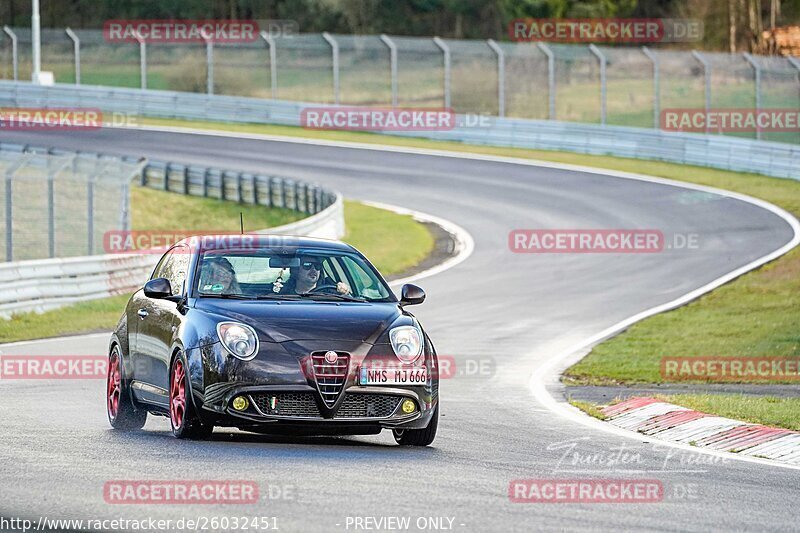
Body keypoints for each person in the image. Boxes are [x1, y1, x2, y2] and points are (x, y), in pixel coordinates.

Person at [273, 256, 350, 295]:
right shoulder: (283, 294)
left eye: (317, 266)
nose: (314, 269)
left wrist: (344, 291)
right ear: (295, 270)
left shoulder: (330, 293)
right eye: (307, 265)